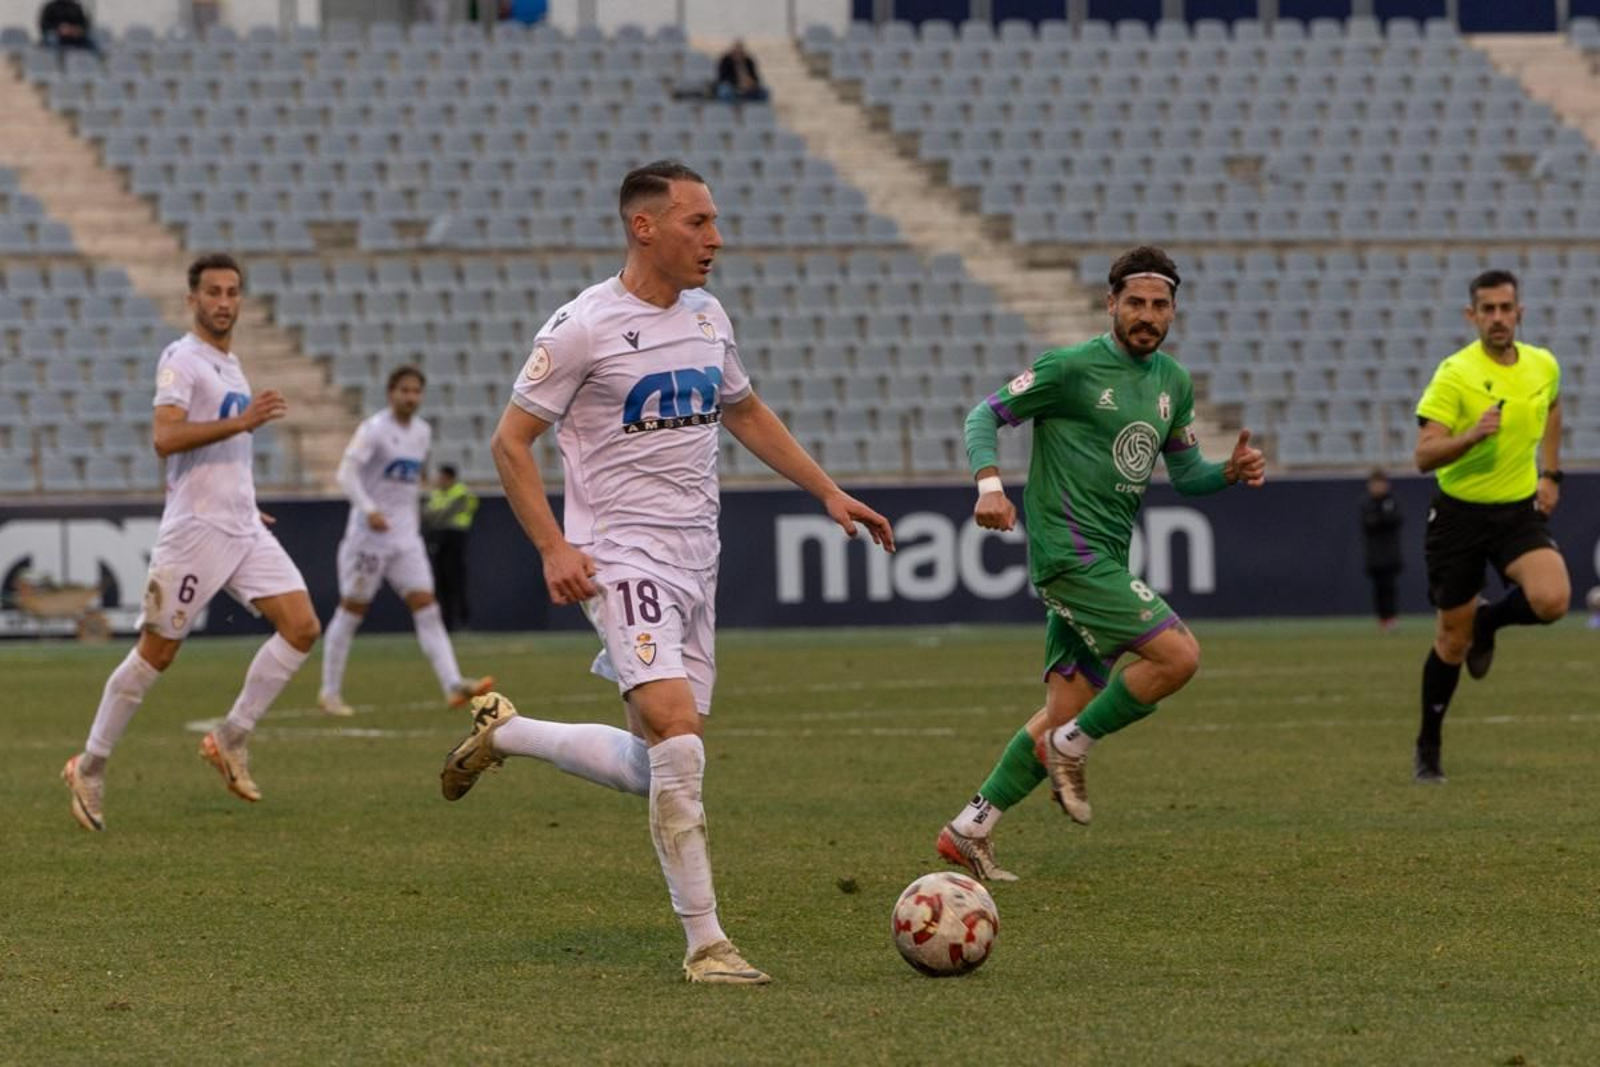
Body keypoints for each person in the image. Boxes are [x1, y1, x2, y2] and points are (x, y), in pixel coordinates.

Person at [441, 159, 895, 984]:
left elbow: (745, 409)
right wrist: (554, 546)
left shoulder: (708, 315)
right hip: (621, 555)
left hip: (698, 556)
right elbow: (509, 443)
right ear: (644, 227)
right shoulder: (581, 326)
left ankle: (506, 731)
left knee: (665, 758)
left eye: (716, 221)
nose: (715, 238)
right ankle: (706, 944)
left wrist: (828, 490)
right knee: (678, 731)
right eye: (698, 222)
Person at [933, 246, 1266, 882]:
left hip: (1107, 554)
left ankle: (969, 829)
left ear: (1173, 311)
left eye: (1159, 305)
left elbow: (1187, 475)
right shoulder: (1071, 368)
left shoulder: (1173, 381)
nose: (1147, 315)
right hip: (1069, 552)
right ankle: (1074, 748)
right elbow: (986, 414)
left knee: (1063, 710)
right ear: (1110, 304)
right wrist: (989, 487)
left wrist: (1227, 471)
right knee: (1178, 657)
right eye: (1135, 302)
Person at [60, 254, 321, 831]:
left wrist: (246, 502)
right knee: (158, 653)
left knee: (302, 626)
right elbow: (165, 437)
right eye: (213, 292)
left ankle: (230, 738)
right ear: (192, 299)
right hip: (192, 533)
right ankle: (92, 766)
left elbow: (221, 456)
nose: (224, 302)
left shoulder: (230, 365)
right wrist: (244, 422)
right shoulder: (182, 359)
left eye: (232, 292)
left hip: (241, 526)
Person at [1412, 269, 1568, 783]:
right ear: (1472, 316)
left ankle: (1488, 623)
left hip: (1516, 512)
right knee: (1451, 643)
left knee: (1553, 599)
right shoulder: (1455, 374)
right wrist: (1472, 437)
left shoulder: (1543, 365)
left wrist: (1551, 473)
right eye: (1488, 309)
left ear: (1519, 312)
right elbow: (1423, 455)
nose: (1498, 318)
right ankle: (1428, 745)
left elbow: (1552, 407)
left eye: (1506, 308)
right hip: (1458, 517)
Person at [317, 367, 494, 717]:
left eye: (416, 391)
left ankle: (452, 683)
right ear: (390, 392)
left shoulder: (422, 433)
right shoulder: (374, 431)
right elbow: (346, 473)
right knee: (352, 611)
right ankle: (330, 691)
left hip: (405, 538)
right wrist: (369, 509)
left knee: (428, 607)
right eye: (404, 390)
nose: (410, 397)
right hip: (369, 537)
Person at [423, 464, 478, 631]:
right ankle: (446, 623)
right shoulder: (437, 494)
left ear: (450, 478)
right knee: (440, 582)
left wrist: (435, 517)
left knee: (456, 581)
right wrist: (436, 517)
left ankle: (462, 622)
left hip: (455, 539)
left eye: (442, 477)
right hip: (438, 539)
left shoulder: (461, 493)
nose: (439, 481)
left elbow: (440, 515)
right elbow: (426, 516)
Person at [1361, 468, 1404, 632]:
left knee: (1390, 587)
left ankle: (1392, 617)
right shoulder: (1366, 503)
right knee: (1378, 588)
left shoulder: (1392, 501)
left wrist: (1379, 519)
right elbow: (1368, 524)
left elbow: (1395, 520)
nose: (1378, 487)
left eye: (1381, 483)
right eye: (1375, 484)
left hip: (1391, 553)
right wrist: (1381, 518)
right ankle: (1382, 618)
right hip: (1374, 555)